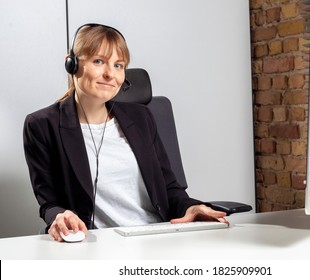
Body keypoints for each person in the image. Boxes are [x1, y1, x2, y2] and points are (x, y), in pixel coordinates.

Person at [23, 23, 227, 242]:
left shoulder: (141, 118)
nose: (110, 74)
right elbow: (50, 203)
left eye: (119, 65)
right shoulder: (42, 126)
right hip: (99, 245)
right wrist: (60, 217)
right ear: (72, 64)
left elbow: (169, 188)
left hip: (160, 239)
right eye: (99, 61)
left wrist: (191, 206)